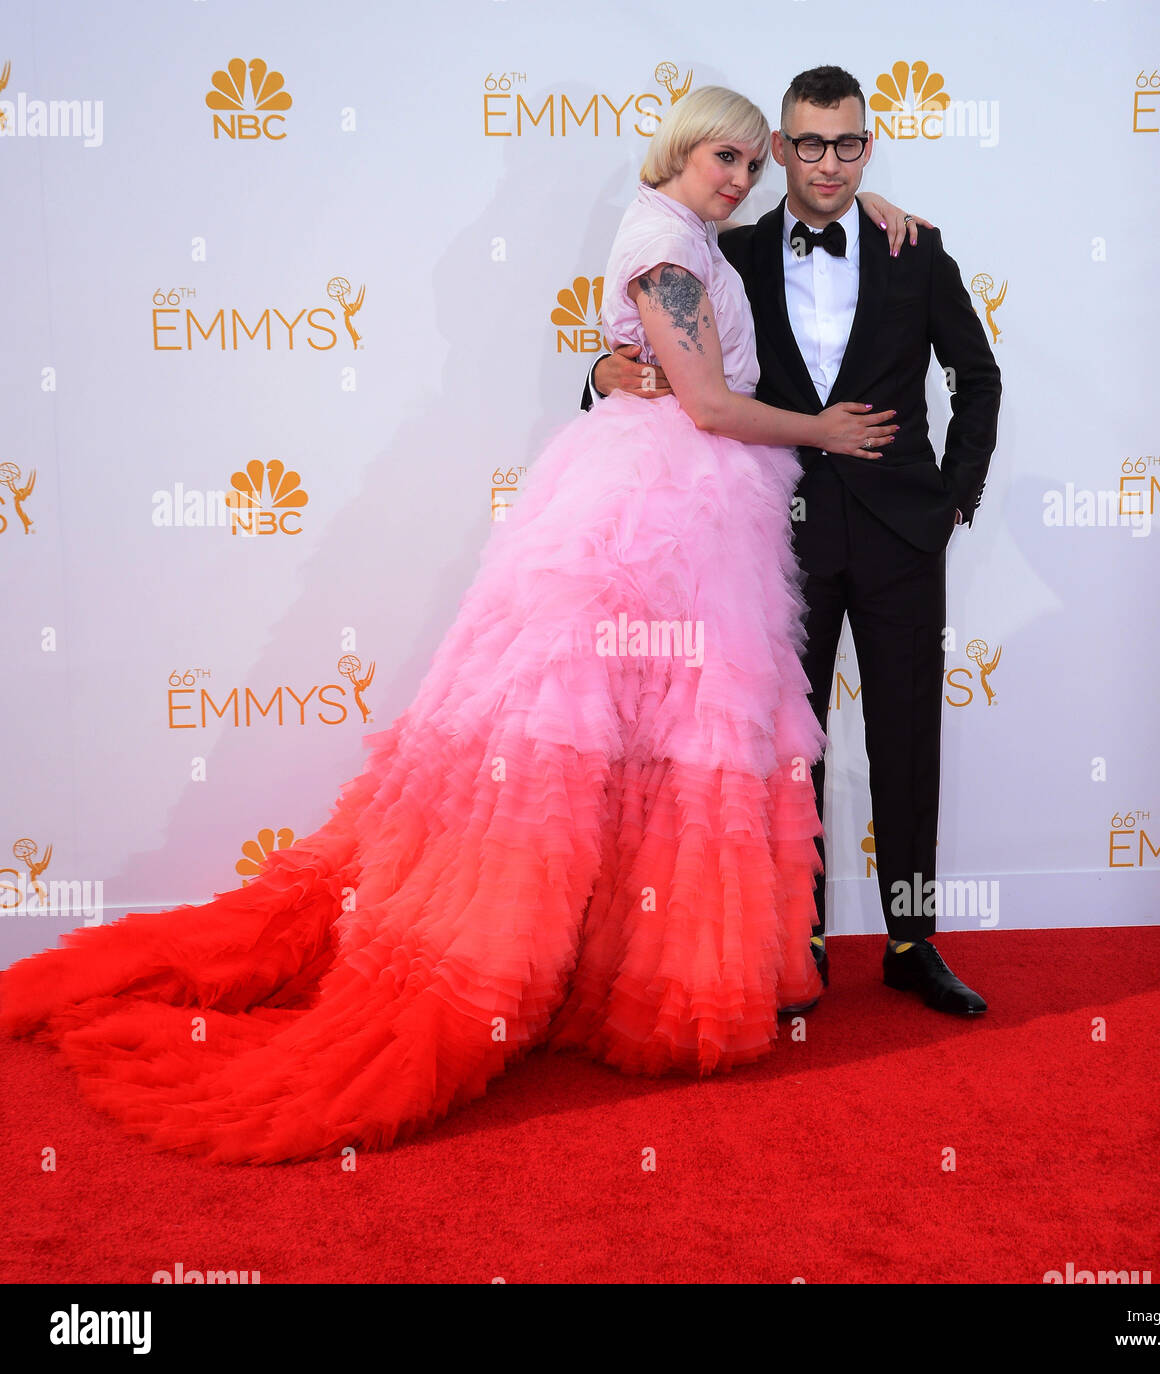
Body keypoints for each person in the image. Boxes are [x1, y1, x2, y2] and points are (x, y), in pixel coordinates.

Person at [0, 86, 903, 1165]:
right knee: (611, 741)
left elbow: (720, 330)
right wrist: (823, 432)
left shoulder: (685, 237)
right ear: (679, 147)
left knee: (655, 745)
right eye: (727, 156)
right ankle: (592, 978)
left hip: (686, 503)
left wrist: (877, 205)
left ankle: (631, 976)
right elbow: (707, 405)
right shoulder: (662, 243)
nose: (740, 179)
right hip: (661, 507)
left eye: (756, 164)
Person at [583, 65, 1001, 1015]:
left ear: (868, 145)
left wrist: (953, 502)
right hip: (780, 537)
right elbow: (662, 351)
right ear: (781, 148)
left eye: (848, 144)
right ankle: (794, 942)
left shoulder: (916, 253)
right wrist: (602, 372)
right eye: (807, 143)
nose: (828, 162)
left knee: (907, 738)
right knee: (784, 748)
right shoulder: (729, 252)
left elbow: (979, 379)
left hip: (903, 534)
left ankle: (910, 939)